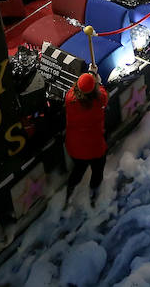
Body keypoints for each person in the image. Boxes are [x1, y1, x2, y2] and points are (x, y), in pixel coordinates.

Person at [63, 69, 109, 206]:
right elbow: (103, 94)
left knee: (78, 170)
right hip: (95, 148)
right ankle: (93, 197)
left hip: (75, 147)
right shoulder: (99, 100)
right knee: (97, 172)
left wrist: (89, 75)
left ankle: (69, 195)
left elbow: (78, 88)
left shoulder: (70, 98)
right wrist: (97, 81)